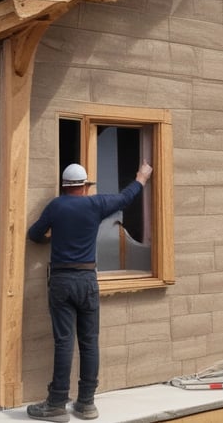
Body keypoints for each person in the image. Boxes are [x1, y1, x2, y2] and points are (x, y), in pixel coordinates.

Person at [26, 161, 153, 422]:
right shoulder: (95, 205)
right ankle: (86, 404)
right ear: (84, 187)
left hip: (61, 280)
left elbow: (33, 234)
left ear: (64, 186)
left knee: (64, 343)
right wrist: (141, 177)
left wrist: (50, 237)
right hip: (87, 281)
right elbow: (125, 198)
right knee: (89, 342)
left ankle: (57, 404)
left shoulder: (55, 206)